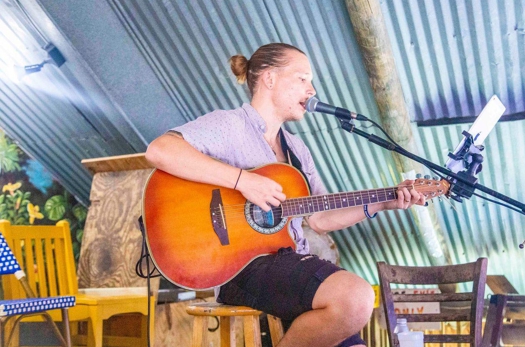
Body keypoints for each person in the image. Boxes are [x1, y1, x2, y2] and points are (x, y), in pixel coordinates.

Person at [145, 43, 425, 347]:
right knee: (356, 297)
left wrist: (384, 201)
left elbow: (319, 218)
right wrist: (243, 181)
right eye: (303, 78)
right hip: (242, 269)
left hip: (289, 267)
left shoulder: (297, 150)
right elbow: (160, 150)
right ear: (269, 79)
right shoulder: (229, 125)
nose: (312, 89)